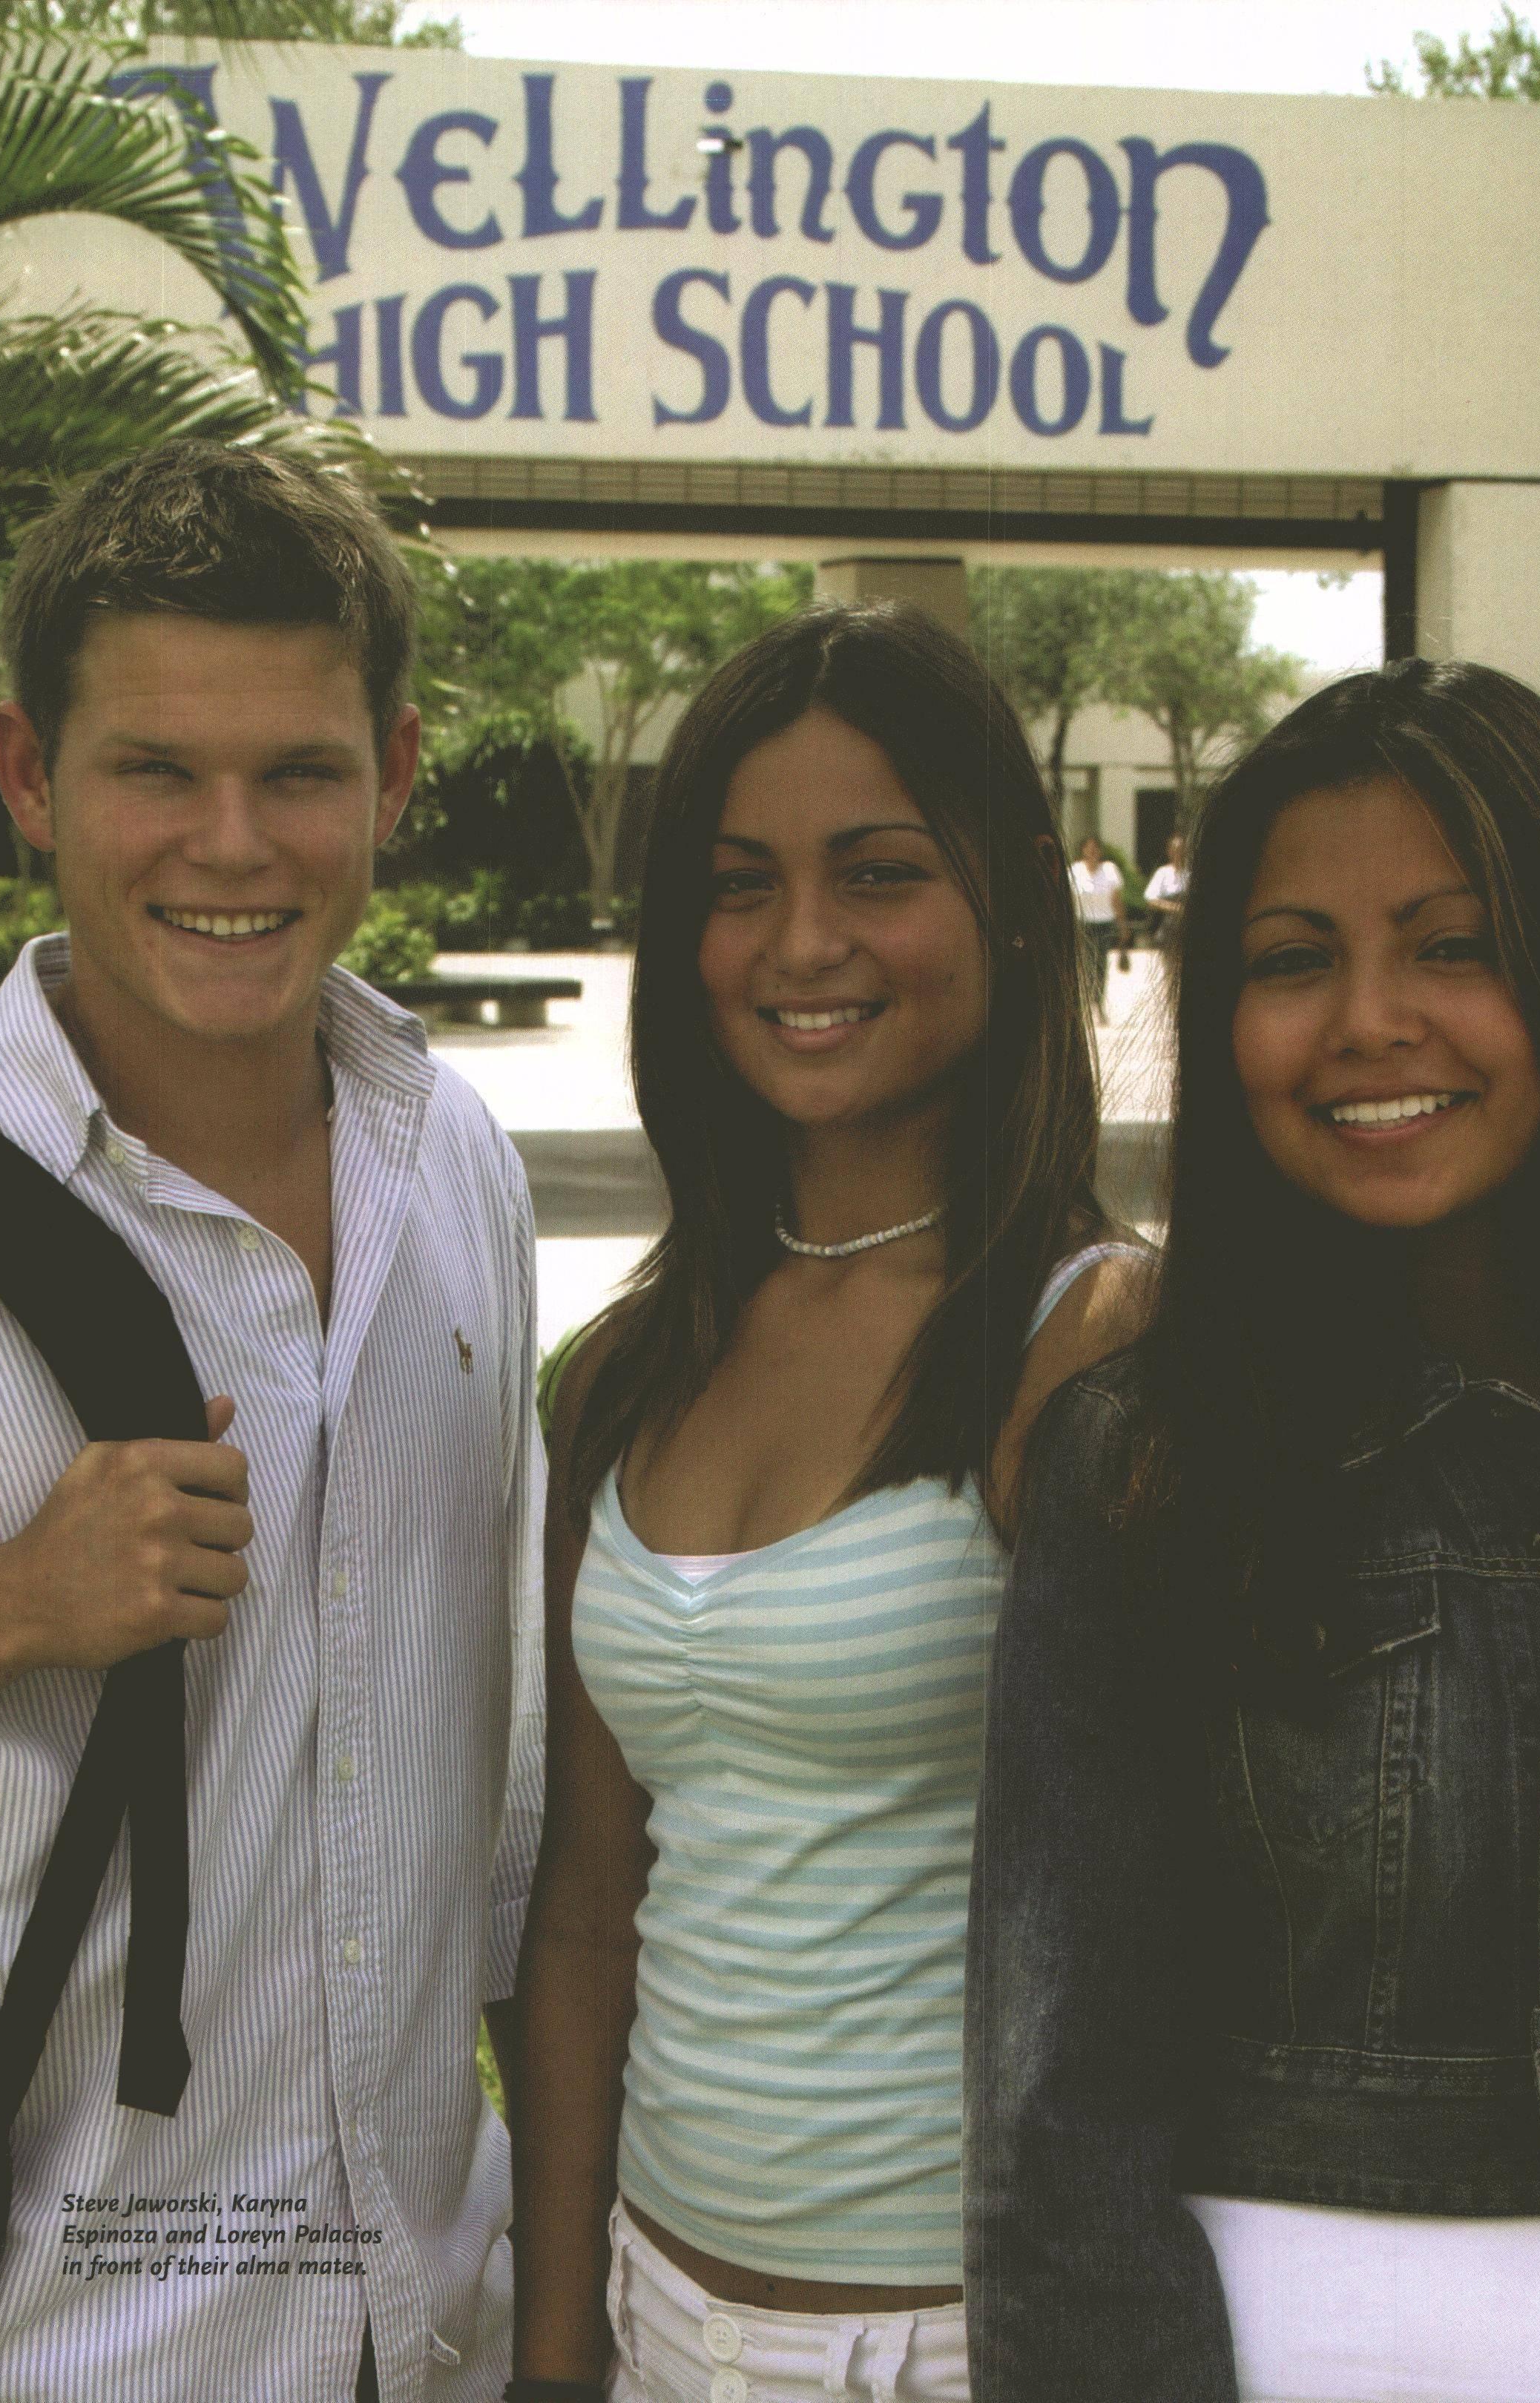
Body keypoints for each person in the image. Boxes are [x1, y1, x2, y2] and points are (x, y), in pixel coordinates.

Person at [967, 657, 1540, 2402]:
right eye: (1291, 959)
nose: (1368, 1019)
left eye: (1453, 945)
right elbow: (1057, 2131)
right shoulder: (1144, 1465)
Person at [0, 441, 544, 2402]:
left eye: (299, 772)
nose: (233, 844)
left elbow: (499, 1770)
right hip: (56, 2341)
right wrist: (10, 1600)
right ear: (30, 774)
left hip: (432, 2321)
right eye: (156, 769)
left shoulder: (455, 1160)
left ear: (394, 774)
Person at [509, 602, 1150, 2403]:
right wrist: (557, 2352)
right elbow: (587, 1907)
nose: (801, 941)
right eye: (739, 884)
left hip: (951, 2332)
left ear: (1007, 897)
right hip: (657, 2312)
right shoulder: (630, 1366)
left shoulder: (1086, 1337)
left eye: (876, 871)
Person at [1069, 835, 1129, 1024]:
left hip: (1104, 924)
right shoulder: (1074, 871)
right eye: (1089, 848)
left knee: (1101, 965)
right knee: (1086, 965)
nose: (1092, 852)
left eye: (1095, 849)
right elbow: (1068, 901)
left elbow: (1117, 901)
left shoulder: (1110, 870)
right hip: (1083, 925)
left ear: (1100, 851)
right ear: (1083, 851)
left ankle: (1099, 1005)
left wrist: (1123, 926)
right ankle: (1086, 1005)